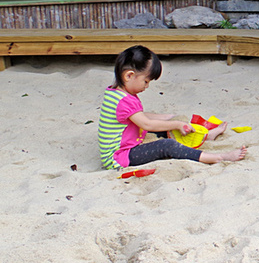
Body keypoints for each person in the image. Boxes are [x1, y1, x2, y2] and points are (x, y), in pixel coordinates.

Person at [98, 45, 247, 170]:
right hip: (119, 157)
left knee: (167, 127)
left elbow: (139, 115)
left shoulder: (116, 93)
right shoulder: (123, 101)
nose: (147, 86)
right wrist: (175, 123)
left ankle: (205, 136)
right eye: (146, 81)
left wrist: (169, 118)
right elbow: (146, 123)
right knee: (167, 145)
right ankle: (217, 157)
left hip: (127, 145)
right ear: (129, 76)